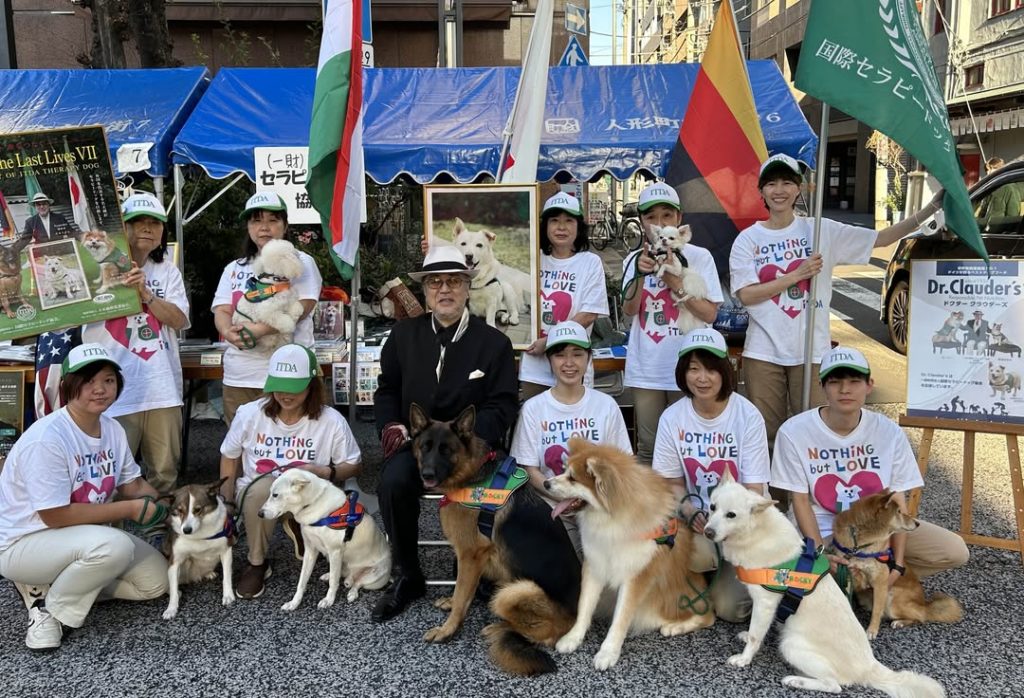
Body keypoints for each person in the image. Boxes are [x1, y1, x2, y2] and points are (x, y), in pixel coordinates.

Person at [729, 154, 943, 497]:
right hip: (763, 350)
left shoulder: (819, 230)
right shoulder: (748, 240)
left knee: (810, 431)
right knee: (766, 434)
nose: (779, 190)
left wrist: (928, 210)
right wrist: (795, 275)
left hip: (811, 350)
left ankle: (811, 508)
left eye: (787, 182)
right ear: (762, 191)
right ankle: (773, 510)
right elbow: (747, 294)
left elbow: (881, 239)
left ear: (799, 188)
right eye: (771, 183)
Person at [372, 245, 518, 622]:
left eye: (453, 281)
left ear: (468, 287)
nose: (445, 290)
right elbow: (387, 388)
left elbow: (502, 405)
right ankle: (408, 574)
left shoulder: (494, 343)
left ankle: (477, 572)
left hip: (472, 450)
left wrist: (469, 442)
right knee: (392, 481)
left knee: (490, 485)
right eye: (435, 282)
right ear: (425, 291)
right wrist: (390, 425)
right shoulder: (403, 336)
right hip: (418, 445)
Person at [0, 344, 169, 650]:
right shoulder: (48, 439)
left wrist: (178, 507)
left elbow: (133, 485)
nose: (99, 390)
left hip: (78, 538)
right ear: (68, 387)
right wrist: (131, 510)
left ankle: (66, 583)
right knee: (114, 546)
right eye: (88, 381)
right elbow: (55, 516)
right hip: (24, 542)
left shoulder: (112, 429)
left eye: (108, 380)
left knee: (156, 582)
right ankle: (47, 611)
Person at [771, 346, 969, 579]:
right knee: (811, 577)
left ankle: (875, 579)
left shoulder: (889, 432)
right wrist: (820, 554)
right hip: (824, 531)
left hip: (878, 529)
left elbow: (898, 500)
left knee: (954, 551)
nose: (845, 390)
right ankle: (856, 580)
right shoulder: (794, 431)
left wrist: (898, 565)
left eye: (855, 381)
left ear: (869, 385)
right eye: (835, 382)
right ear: (822, 387)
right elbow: (800, 502)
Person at [218, 343, 361, 599]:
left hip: (309, 491)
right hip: (260, 491)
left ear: (312, 385)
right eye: (279, 386)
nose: (285, 395)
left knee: (308, 487)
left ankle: (300, 524)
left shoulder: (331, 420)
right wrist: (226, 504)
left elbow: (353, 464)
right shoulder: (250, 413)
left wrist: (325, 471)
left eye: (294, 388)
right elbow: (229, 457)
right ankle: (257, 562)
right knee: (261, 490)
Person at [652, 328, 768, 623]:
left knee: (732, 611)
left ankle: (726, 577)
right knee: (675, 568)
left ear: (725, 371)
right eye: (693, 369)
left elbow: (754, 490)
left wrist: (725, 523)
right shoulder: (672, 417)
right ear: (683, 373)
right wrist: (688, 509)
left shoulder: (747, 415)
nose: (702, 378)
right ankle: (703, 573)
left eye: (711, 369)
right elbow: (670, 484)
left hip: (741, 524)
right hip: (697, 520)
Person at [82, 192, 189, 494]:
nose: (146, 228)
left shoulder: (167, 269)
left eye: (154, 223)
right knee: (108, 474)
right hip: (110, 386)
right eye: (137, 222)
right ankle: (111, 536)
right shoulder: (94, 267)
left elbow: (179, 320)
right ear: (122, 229)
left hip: (161, 387)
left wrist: (146, 293)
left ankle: (161, 535)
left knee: (165, 472)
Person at [621, 181, 723, 464]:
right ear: (642, 222)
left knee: (687, 447)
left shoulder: (700, 256)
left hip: (689, 366)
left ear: (678, 220)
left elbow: (710, 314)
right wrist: (641, 275)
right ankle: (652, 508)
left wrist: (672, 280)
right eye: (650, 217)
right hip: (647, 367)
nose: (658, 222)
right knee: (648, 448)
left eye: (666, 215)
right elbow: (629, 309)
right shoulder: (633, 258)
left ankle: (686, 507)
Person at [510, 320, 631, 556]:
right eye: (560, 355)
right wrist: (561, 495)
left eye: (577, 354)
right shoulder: (534, 408)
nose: (569, 363)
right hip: (552, 506)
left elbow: (622, 466)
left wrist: (590, 500)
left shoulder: (605, 406)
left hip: (600, 508)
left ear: (588, 359)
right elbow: (528, 468)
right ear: (549, 360)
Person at [212, 192, 323, 427]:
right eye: (256, 221)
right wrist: (229, 333)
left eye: (273, 220)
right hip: (240, 373)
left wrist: (258, 331)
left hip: (291, 372)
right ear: (248, 227)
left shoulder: (301, 262)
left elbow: (303, 306)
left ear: (285, 225)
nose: (264, 228)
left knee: (294, 442)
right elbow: (222, 310)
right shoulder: (234, 268)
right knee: (242, 443)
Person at [519, 192, 609, 398]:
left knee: (575, 425)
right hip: (535, 368)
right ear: (545, 226)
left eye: (569, 220)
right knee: (538, 423)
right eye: (554, 221)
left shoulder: (590, 262)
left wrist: (549, 341)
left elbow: (588, 314)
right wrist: (434, 246)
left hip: (573, 365)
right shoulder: (532, 259)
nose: (561, 227)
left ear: (579, 227)